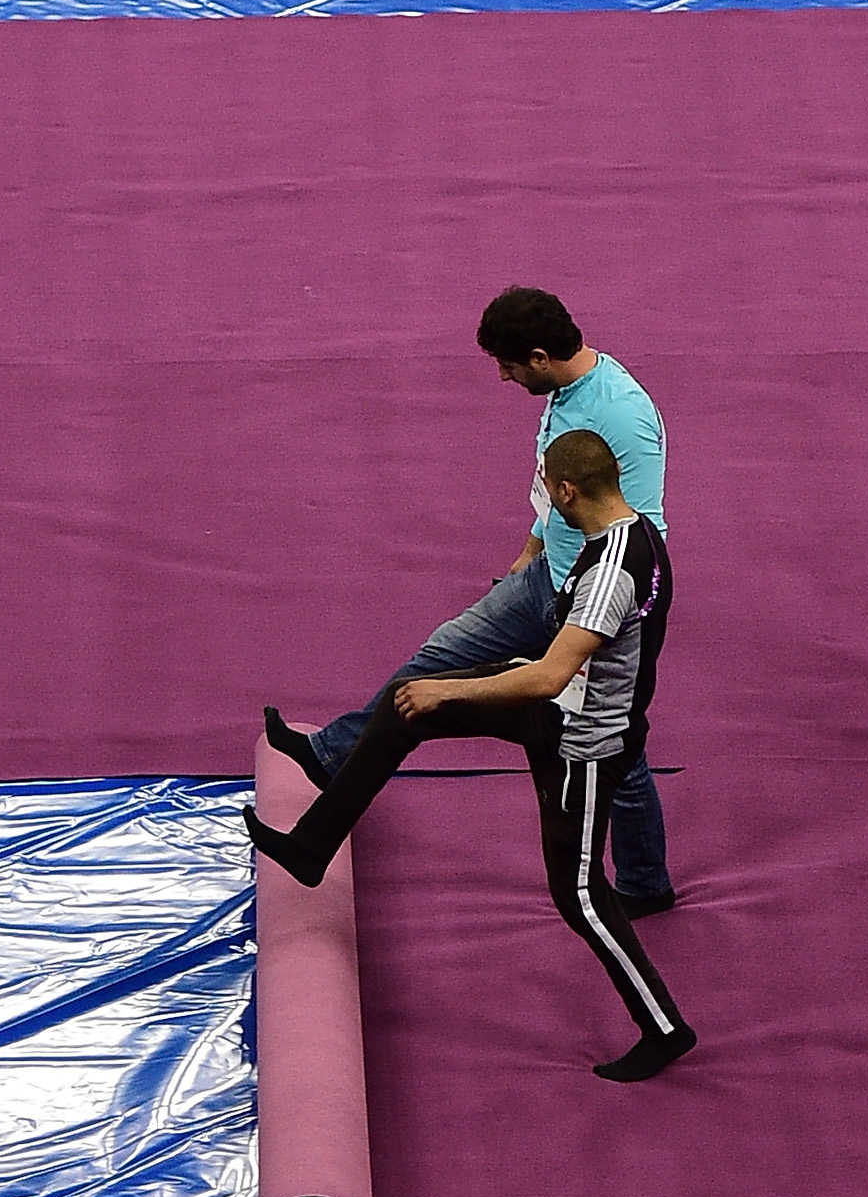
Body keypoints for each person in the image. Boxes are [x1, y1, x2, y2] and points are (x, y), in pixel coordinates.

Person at [250, 426, 695, 1082]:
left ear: (569, 489)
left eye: (548, 488)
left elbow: (547, 676)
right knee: (406, 701)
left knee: (578, 895)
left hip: (580, 739)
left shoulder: (607, 576)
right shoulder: (634, 533)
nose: (545, 498)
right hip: (563, 703)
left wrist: (451, 687)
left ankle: (664, 1026)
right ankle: (312, 844)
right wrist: (435, 692)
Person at [265, 285, 675, 907]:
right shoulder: (568, 391)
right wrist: (534, 547)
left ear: (539, 357)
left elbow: (636, 526)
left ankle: (646, 884)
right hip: (545, 579)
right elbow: (568, 489)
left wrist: (594, 610)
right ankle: (335, 753)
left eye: (508, 366)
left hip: (591, 601)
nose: (503, 378)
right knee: (434, 657)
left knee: (620, 751)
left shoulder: (622, 415)